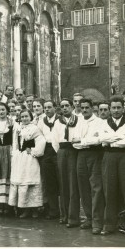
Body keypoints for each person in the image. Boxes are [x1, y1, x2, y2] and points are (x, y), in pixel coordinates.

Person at [98, 96, 125, 237]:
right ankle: (109, 225)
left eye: (118, 107)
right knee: (109, 190)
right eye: (113, 108)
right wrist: (119, 137)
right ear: (110, 109)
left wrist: (111, 139)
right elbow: (101, 139)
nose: (116, 110)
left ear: (123, 108)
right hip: (109, 157)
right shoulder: (104, 123)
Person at [71, 98, 105, 234]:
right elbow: (73, 141)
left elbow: (98, 140)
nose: (84, 110)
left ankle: (98, 221)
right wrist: (85, 141)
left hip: (95, 154)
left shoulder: (100, 122)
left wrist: (82, 140)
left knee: (96, 187)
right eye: (82, 107)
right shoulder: (78, 121)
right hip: (80, 155)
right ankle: (89, 218)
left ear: (92, 108)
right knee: (83, 186)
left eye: (87, 107)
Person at [9, 109, 45, 218]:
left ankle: (35, 209)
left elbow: (41, 141)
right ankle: (25, 209)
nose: (24, 119)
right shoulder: (17, 128)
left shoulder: (34, 129)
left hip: (30, 158)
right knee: (21, 181)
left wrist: (34, 151)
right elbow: (15, 142)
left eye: (26, 116)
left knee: (30, 181)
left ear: (31, 117)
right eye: (22, 117)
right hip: (20, 158)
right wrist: (15, 153)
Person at [52, 98, 80, 228]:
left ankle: (73, 217)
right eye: (62, 106)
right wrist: (61, 153)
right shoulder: (58, 122)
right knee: (63, 183)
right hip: (62, 152)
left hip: (74, 150)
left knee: (73, 183)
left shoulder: (78, 120)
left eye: (67, 105)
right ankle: (64, 215)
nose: (64, 108)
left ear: (72, 106)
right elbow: (54, 141)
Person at [37, 100, 60, 220]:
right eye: (45, 107)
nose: (47, 110)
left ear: (55, 108)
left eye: (49, 107)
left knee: (61, 180)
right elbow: (39, 136)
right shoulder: (41, 122)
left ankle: (64, 211)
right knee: (49, 181)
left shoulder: (60, 120)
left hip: (58, 150)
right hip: (46, 150)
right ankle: (53, 210)